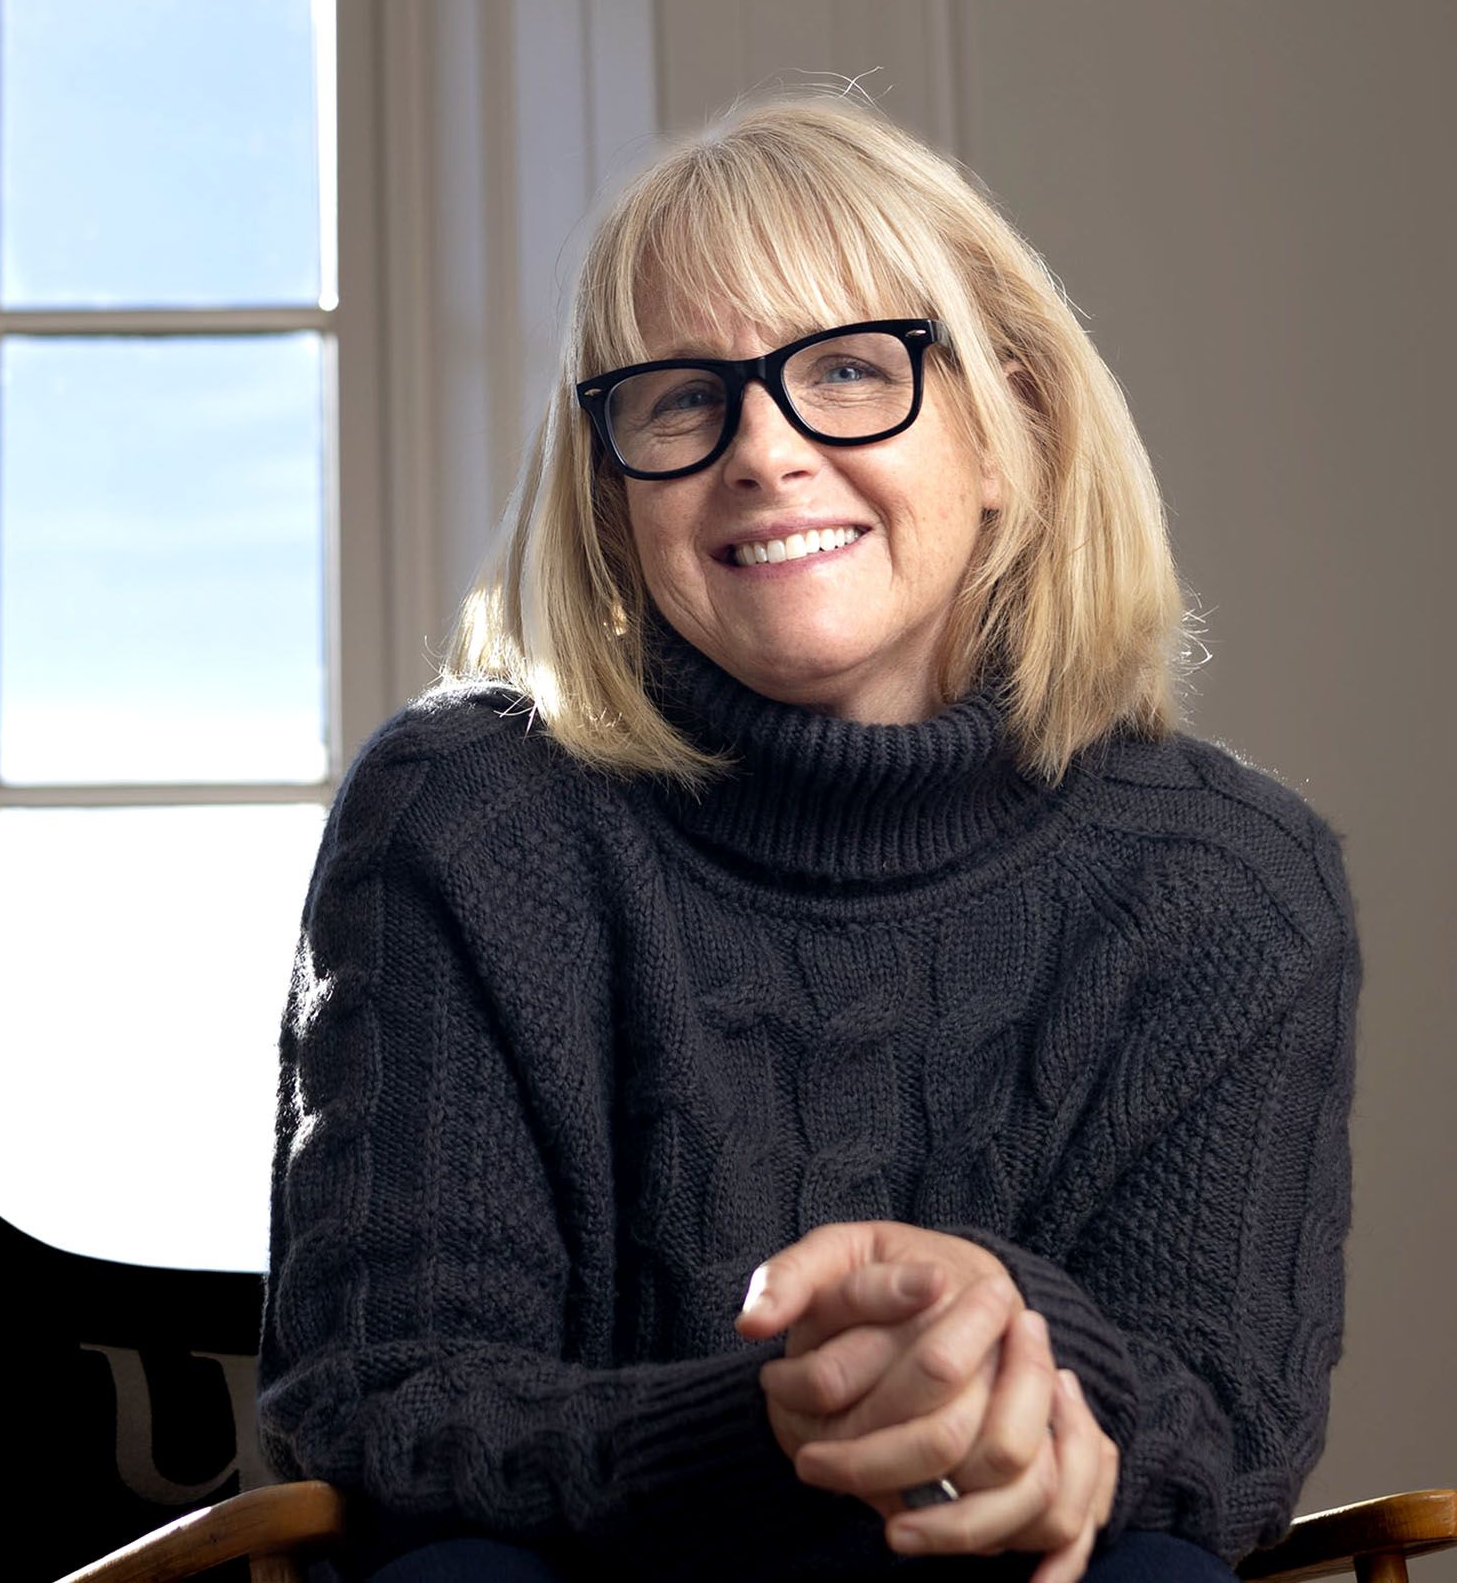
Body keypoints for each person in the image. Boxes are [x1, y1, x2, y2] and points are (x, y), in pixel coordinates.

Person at [257, 97, 1359, 1583]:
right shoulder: (464, 815)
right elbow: (385, 1402)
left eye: (848, 368)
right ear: (611, 491)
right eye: (680, 399)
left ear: (1012, 429)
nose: (765, 452)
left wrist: (1004, 1340)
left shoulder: (1233, 887)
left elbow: (1228, 1432)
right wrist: (783, 1421)